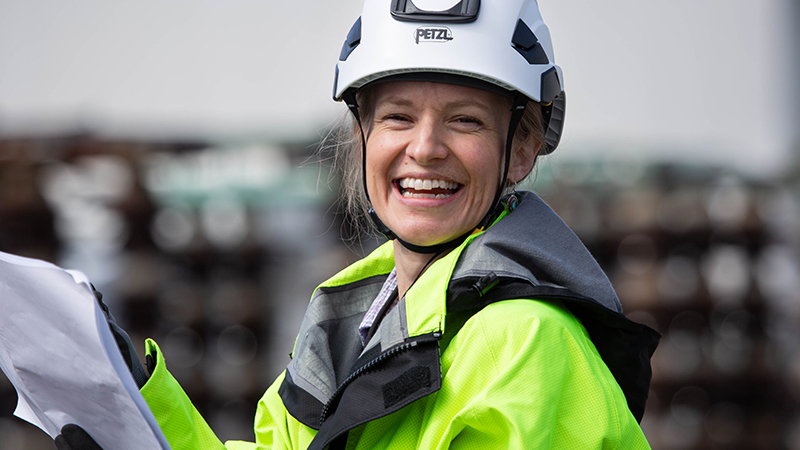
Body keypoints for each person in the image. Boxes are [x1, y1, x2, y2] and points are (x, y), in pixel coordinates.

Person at [56, 0, 660, 449]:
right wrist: (134, 407)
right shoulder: (352, 321)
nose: (424, 149)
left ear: (523, 149)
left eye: (466, 121)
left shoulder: (524, 341)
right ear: (362, 136)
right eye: (398, 117)